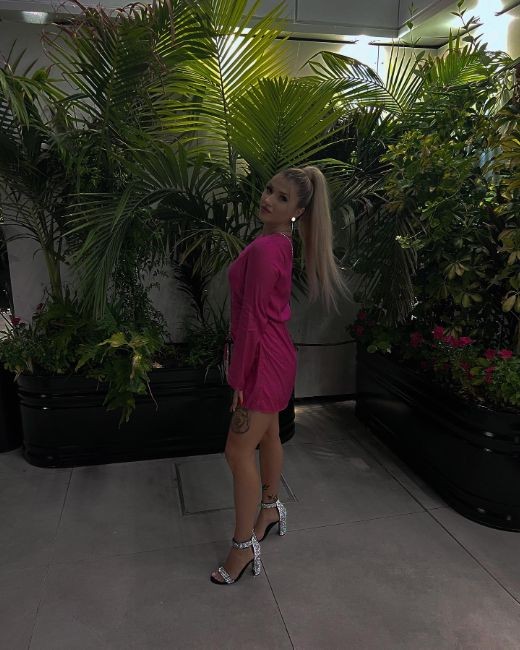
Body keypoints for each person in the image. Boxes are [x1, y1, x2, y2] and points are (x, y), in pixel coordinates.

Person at [210, 165, 346, 585]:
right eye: (270, 190)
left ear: (298, 211)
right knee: (268, 436)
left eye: (282, 197)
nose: (268, 199)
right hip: (275, 353)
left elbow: (252, 320)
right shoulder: (279, 242)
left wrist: (238, 378)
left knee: (237, 451)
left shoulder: (269, 248)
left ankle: (242, 547)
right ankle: (269, 509)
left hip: (262, 360)